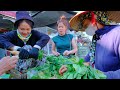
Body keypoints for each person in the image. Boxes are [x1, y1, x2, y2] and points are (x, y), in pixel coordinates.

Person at [67, 11, 120, 79]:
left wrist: (99, 76)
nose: (86, 30)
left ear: (94, 18)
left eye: (86, 26)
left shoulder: (117, 34)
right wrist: (70, 67)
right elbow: (88, 58)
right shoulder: (97, 38)